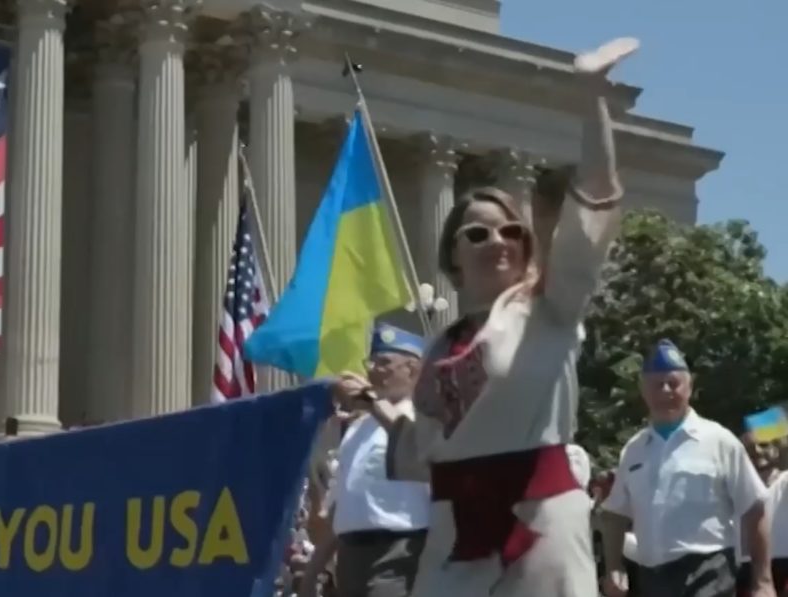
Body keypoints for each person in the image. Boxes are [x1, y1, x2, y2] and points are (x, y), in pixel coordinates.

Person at [331, 37, 638, 597]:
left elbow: (592, 206)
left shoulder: (549, 309)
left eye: (511, 231)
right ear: (453, 254)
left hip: (538, 522)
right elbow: (424, 451)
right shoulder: (440, 346)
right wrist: (372, 404)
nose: (497, 240)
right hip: (458, 530)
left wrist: (592, 97)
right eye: (478, 233)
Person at [600, 340, 774, 597]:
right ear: (643, 391)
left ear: (689, 387)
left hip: (709, 571)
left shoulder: (719, 441)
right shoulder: (634, 450)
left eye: (673, 383)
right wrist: (614, 566)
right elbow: (615, 514)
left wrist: (763, 581)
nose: (665, 391)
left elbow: (754, 509)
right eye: (657, 385)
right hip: (652, 578)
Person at [303, 324, 431, 597]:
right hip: (351, 555)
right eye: (371, 362)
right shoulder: (358, 429)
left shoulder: (425, 420)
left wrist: (372, 402)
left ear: (412, 369)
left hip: (397, 551)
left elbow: (417, 448)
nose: (373, 370)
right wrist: (313, 570)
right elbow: (343, 508)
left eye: (384, 363)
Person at [737, 431, 788, 596]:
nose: (757, 451)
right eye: (749, 448)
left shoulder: (784, 481)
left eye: (764, 445)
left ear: (777, 449)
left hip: (783, 562)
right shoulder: (735, 488)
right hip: (745, 566)